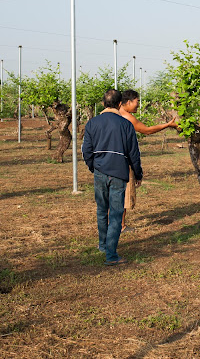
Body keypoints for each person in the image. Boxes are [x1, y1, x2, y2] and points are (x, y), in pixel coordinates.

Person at [82, 89, 143, 266]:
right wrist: (138, 173)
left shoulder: (92, 123)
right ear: (119, 104)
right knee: (116, 213)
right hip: (118, 173)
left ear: (103, 104)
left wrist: (93, 166)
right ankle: (111, 255)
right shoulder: (125, 125)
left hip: (100, 172)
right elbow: (133, 153)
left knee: (102, 210)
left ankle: (103, 245)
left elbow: (86, 151)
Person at [119, 89, 177, 232]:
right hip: (121, 161)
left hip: (105, 161)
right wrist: (167, 125)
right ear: (128, 102)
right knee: (122, 194)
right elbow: (147, 130)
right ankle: (120, 225)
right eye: (137, 102)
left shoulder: (109, 114)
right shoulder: (126, 117)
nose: (138, 105)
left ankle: (115, 225)